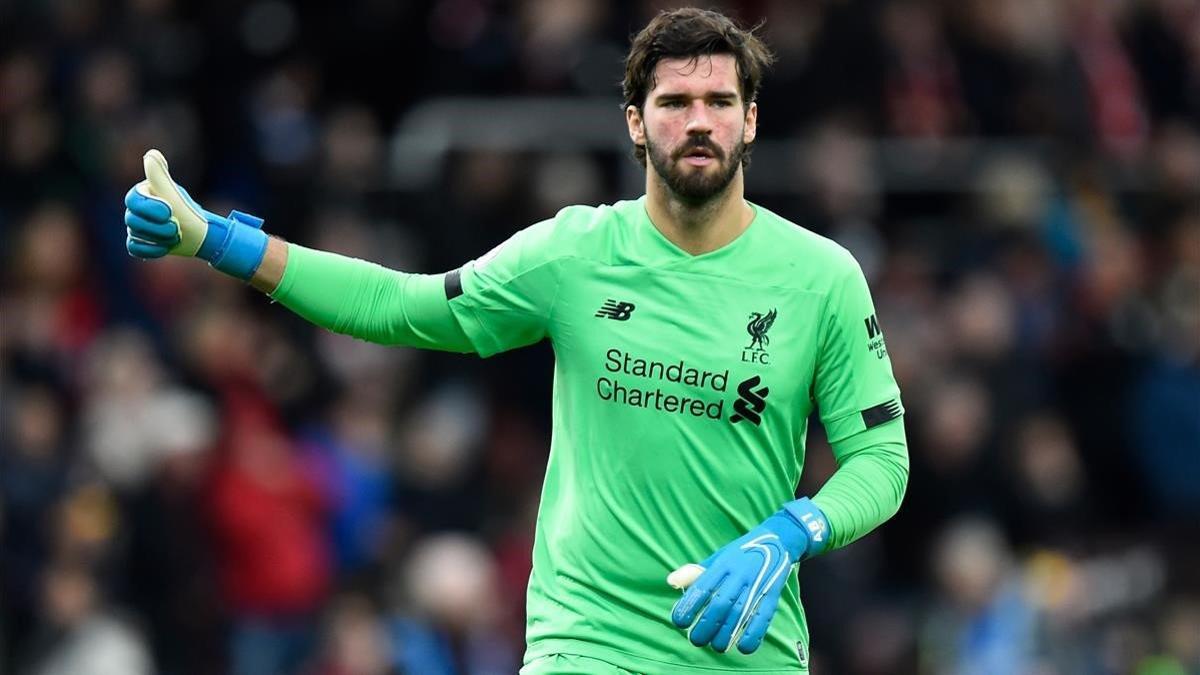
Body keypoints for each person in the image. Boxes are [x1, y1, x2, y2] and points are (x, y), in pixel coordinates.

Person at [122, 7, 908, 674]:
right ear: (636, 122)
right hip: (585, 642)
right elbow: (401, 306)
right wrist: (218, 241)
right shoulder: (574, 255)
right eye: (674, 102)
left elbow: (881, 459)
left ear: (752, 119)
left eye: (719, 100)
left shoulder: (820, 278)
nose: (698, 121)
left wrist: (790, 532)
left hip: (746, 648)